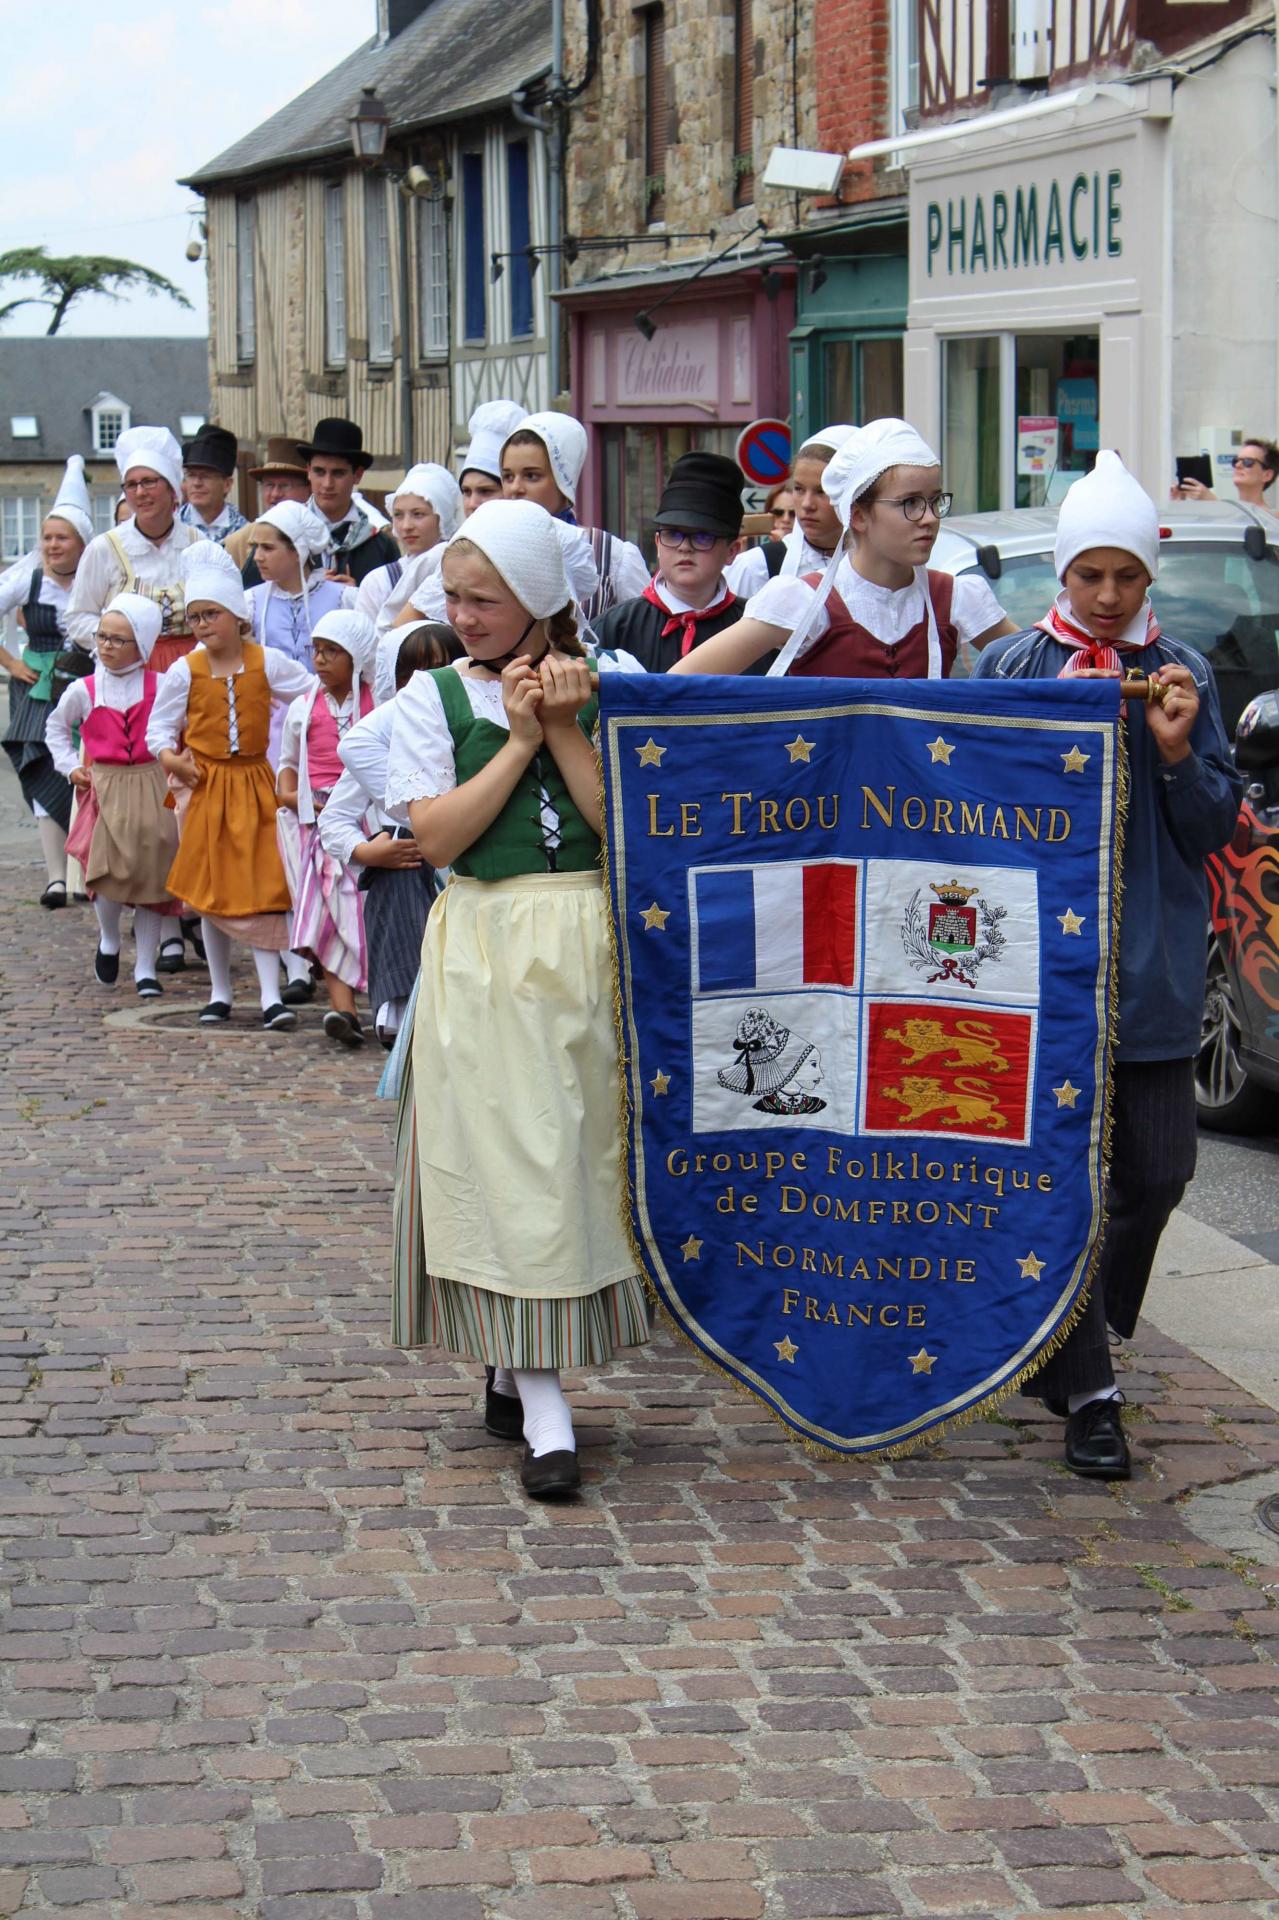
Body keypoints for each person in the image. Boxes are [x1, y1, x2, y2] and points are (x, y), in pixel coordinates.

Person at [971, 452, 1242, 1478]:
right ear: (1060, 574)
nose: (1107, 596)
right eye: (1089, 575)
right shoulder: (1009, 671)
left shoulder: (1183, 674)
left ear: (1147, 576)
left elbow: (1213, 826)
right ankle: (1090, 1389)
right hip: (1036, 976)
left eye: (1124, 577)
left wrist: (1175, 752)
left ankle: (1067, 1333)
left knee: (1158, 1171)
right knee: (1059, 1184)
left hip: (1151, 972)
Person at [383, 499, 650, 1499]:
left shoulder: (608, 683)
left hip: (583, 943)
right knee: (509, 1163)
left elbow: (616, 824)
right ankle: (546, 1411)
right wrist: (516, 738)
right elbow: (439, 840)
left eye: (484, 597)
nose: (463, 613)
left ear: (539, 598)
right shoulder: (431, 697)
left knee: (572, 1163)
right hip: (485, 946)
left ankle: (512, 1359)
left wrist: (568, 726)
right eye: (455, 595)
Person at [675, 418, 1016, 680]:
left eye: (934, 501)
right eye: (910, 503)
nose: (928, 518)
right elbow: (680, 683)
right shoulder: (802, 600)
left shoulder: (957, 596)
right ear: (858, 515)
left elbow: (1046, 674)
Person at [146, 545, 317, 1028]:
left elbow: (309, 694)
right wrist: (170, 757)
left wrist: (301, 744)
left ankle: (269, 995)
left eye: (212, 614)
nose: (202, 624)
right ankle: (220, 991)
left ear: (236, 616)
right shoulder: (186, 670)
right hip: (206, 786)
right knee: (211, 891)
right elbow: (159, 728)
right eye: (195, 616)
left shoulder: (267, 662)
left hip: (255, 784)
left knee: (264, 888)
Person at [319, 620, 461, 1046]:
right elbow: (334, 819)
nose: (426, 685)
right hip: (407, 871)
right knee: (414, 992)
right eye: (411, 675)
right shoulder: (384, 737)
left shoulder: (470, 728)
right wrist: (367, 852)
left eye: (441, 670)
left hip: (464, 871)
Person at [46, 593, 178, 995]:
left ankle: (145, 966)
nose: (107, 646)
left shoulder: (161, 685)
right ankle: (109, 937)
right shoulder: (84, 689)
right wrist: (71, 767)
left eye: (119, 639)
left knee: (154, 873)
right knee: (105, 872)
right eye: (103, 636)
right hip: (105, 786)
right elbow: (55, 729)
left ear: (142, 642)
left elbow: (180, 727)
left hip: (153, 782)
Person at [275, 610, 378, 1047]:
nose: (320, 659)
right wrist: (288, 794)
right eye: (316, 650)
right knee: (329, 919)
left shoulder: (381, 702)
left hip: (369, 824)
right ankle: (344, 1012)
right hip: (316, 827)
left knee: (370, 912)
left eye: (332, 651)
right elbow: (288, 763)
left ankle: (388, 1004)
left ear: (357, 656)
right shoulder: (303, 706)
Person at [0, 456, 92, 902]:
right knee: (42, 768)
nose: (53, 545)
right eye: (48, 538)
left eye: (62, 538)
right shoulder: (27, 581)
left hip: (86, 688)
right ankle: (56, 876)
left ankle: (86, 875)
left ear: (81, 544)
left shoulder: (96, 580)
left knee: (86, 773)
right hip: (36, 692)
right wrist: (12, 664)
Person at [591, 452, 756, 672]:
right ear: (657, 542)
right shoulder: (614, 627)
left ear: (732, 551)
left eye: (702, 536)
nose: (684, 547)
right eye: (672, 534)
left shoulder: (753, 627)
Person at [66, 427, 210, 674]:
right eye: (131, 485)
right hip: (128, 673)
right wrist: (117, 643)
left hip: (193, 670)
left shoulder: (198, 543)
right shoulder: (105, 549)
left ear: (172, 488)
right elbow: (78, 617)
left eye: (149, 482)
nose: (140, 492)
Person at [500, 411, 650, 622]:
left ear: (564, 481)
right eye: (508, 476)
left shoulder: (610, 556)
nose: (515, 488)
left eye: (531, 476)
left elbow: (642, 632)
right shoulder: (486, 549)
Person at [725, 426, 855, 596]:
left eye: (822, 491)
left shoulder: (879, 567)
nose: (807, 504)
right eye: (799, 489)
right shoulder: (757, 567)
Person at [355, 464, 463, 632]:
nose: (406, 526)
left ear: (441, 517)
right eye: (398, 515)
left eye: (418, 514)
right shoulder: (378, 582)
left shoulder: (462, 574)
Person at [297, 419, 400, 585]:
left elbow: (394, 607)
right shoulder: (285, 534)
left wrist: (357, 599)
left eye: (338, 473)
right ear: (308, 471)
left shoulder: (380, 544)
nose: (327, 484)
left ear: (358, 475)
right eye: (319, 472)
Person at [246, 503, 347, 668]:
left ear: (297, 551)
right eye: (256, 547)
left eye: (268, 548)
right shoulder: (252, 602)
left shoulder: (343, 599)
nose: (257, 557)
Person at [225, 438, 312, 572]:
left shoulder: (319, 536)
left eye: (285, 486)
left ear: (309, 489)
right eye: (269, 485)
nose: (275, 494)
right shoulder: (238, 543)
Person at [1173, 435, 1279, 514]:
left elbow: (1253, 521)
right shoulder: (1227, 512)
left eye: (1247, 462)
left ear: (1267, 475)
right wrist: (1179, 503)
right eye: (1235, 461)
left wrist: (1215, 504)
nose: (1238, 465)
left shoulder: (1273, 518)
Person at [178, 426, 248, 546]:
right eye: (191, 475)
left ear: (227, 484)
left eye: (205, 476)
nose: (196, 483)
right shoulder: (171, 528)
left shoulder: (246, 533)